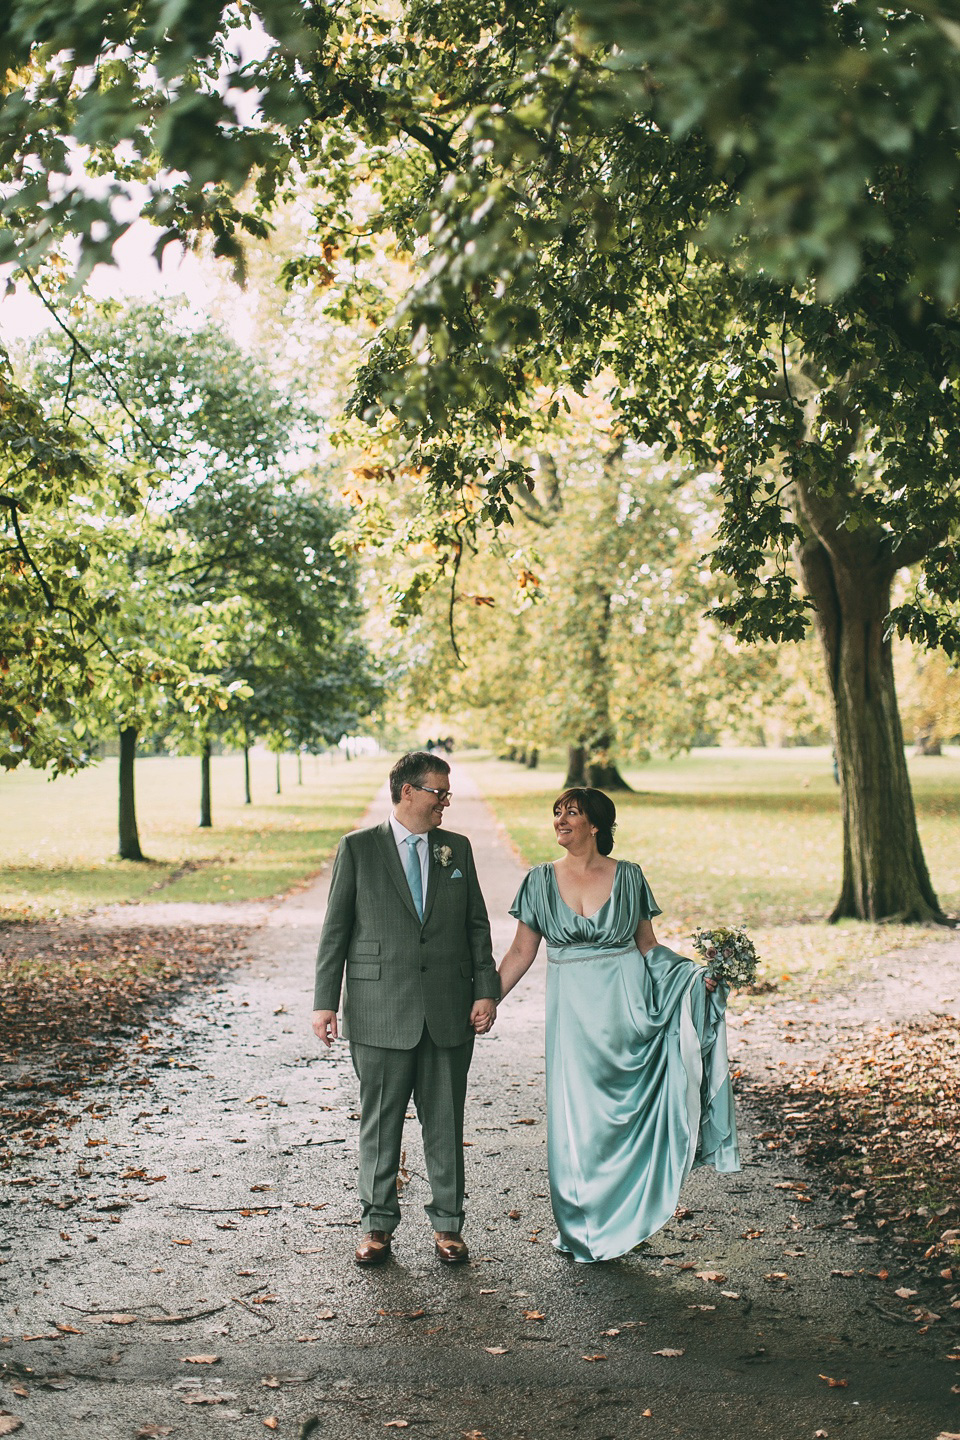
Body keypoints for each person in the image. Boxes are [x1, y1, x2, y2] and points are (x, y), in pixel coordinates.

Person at [497, 787, 740, 1263]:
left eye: (572, 812)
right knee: (577, 1122)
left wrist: (695, 978)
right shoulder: (538, 881)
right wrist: (485, 1000)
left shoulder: (629, 877)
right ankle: (580, 1227)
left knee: (625, 1118)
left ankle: (625, 1217)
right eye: (557, 813)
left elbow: (648, 946)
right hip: (572, 1020)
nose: (561, 820)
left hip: (628, 1012)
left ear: (595, 825)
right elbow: (521, 952)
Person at [312, 751, 499, 1266]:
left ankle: (448, 1226)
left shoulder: (455, 849)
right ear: (408, 792)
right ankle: (376, 1226)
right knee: (380, 1124)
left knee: (445, 1123)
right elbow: (336, 932)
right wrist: (325, 1002)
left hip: (447, 1008)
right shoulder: (358, 849)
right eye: (438, 792)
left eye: (448, 793)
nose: (445, 802)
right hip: (378, 1008)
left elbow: (476, 925)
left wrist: (486, 989)